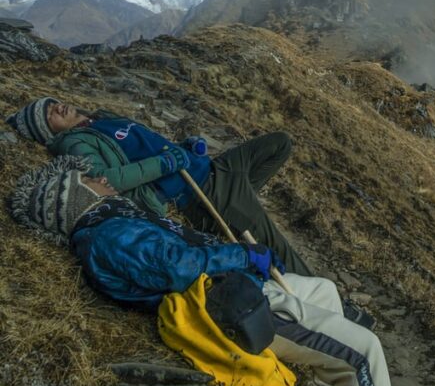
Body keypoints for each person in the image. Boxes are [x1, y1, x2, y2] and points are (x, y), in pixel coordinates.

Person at [10, 156, 427, 386]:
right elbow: (182, 268)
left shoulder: (114, 223)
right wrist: (244, 257)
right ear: (76, 196)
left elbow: (178, 251)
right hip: (228, 308)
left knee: (324, 292)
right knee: (364, 351)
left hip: (236, 287)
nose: (100, 178)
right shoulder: (109, 234)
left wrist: (246, 259)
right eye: (88, 178)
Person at [6, 95, 311, 276]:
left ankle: (237, 207)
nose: (58, 107)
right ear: (47, 132)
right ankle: (332, 302)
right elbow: (107, 182)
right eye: (49, 115)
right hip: (199, 190)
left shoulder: (98, 120)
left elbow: (147, 147)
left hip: (212, 168)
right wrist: (165, 165)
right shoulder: (75, 143)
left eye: (52, 104)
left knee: (279, 144)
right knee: (277, 243)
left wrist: (184, 148)